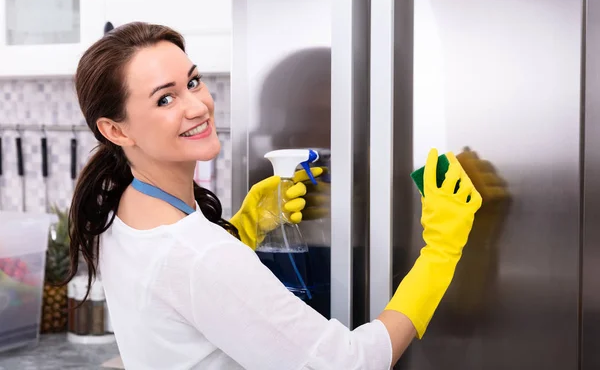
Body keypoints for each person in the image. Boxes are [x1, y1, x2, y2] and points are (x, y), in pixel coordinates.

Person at [64, 22, 482, 370]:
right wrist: (440, 255)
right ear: (116, 131)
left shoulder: (119, 211)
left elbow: (183, 301)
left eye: (193, 81)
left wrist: (239, 232)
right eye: (166, 98)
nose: (197, 106)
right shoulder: (199, 256)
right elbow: (347, 364)